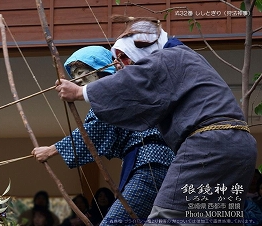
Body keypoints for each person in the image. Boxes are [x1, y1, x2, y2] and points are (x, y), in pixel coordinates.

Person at [55, 16, 257, 225]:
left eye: (124, 58)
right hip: (239, 147)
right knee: (215, 218)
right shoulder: (185, 59)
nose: (123, 66)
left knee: (165, 220)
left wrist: (81, 92)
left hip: (205, 146)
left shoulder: (168, 58)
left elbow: (131, 83)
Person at [32, 45, 175, 225]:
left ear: (101, 69)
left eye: (81, 72)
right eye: (74, 75)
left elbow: (92, 132)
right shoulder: (118, 90)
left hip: (150, 163)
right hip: (153, 162)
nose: (77, 79)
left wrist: (50, 151)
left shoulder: (114, 90)